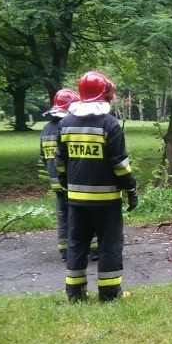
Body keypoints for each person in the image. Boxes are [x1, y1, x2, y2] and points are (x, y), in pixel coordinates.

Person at [56, 71, 138, 302]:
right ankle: (110, 294)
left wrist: (66, 184)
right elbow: (120, 165)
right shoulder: (109, 125)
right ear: (105, 95)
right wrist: (130, 189)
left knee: (77, 245)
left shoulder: (66, 124)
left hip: (76, 200)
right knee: (109, 245)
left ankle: (75, 293)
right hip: (106, 201)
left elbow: (60, 161)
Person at [39, 90, 99, 263]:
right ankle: (92, 250)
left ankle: (65, 252)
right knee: (85, 215)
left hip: (56, 183)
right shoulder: (66, 126)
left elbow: (43, 156)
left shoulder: (45, 129)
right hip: (72, 182)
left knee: (63, 216)